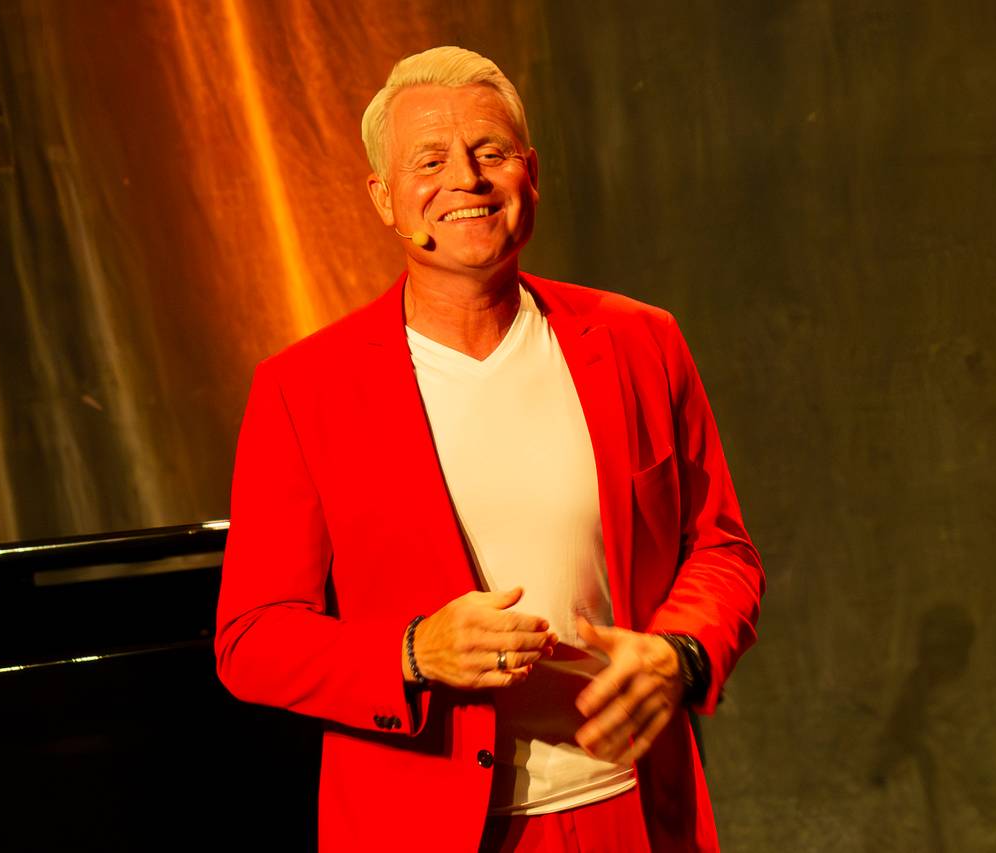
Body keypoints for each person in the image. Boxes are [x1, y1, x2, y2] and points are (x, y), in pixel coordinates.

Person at [215, 46, 763, 853]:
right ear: (385, 199)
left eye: (490, 152)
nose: (465, 180)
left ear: (529, 174)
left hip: (634, 811)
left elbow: (721, 550)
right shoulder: (304, 388)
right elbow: (252, 638)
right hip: (421, 827)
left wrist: (679, 653)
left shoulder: (641, 342)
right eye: (429, 161)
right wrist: (412, 650)